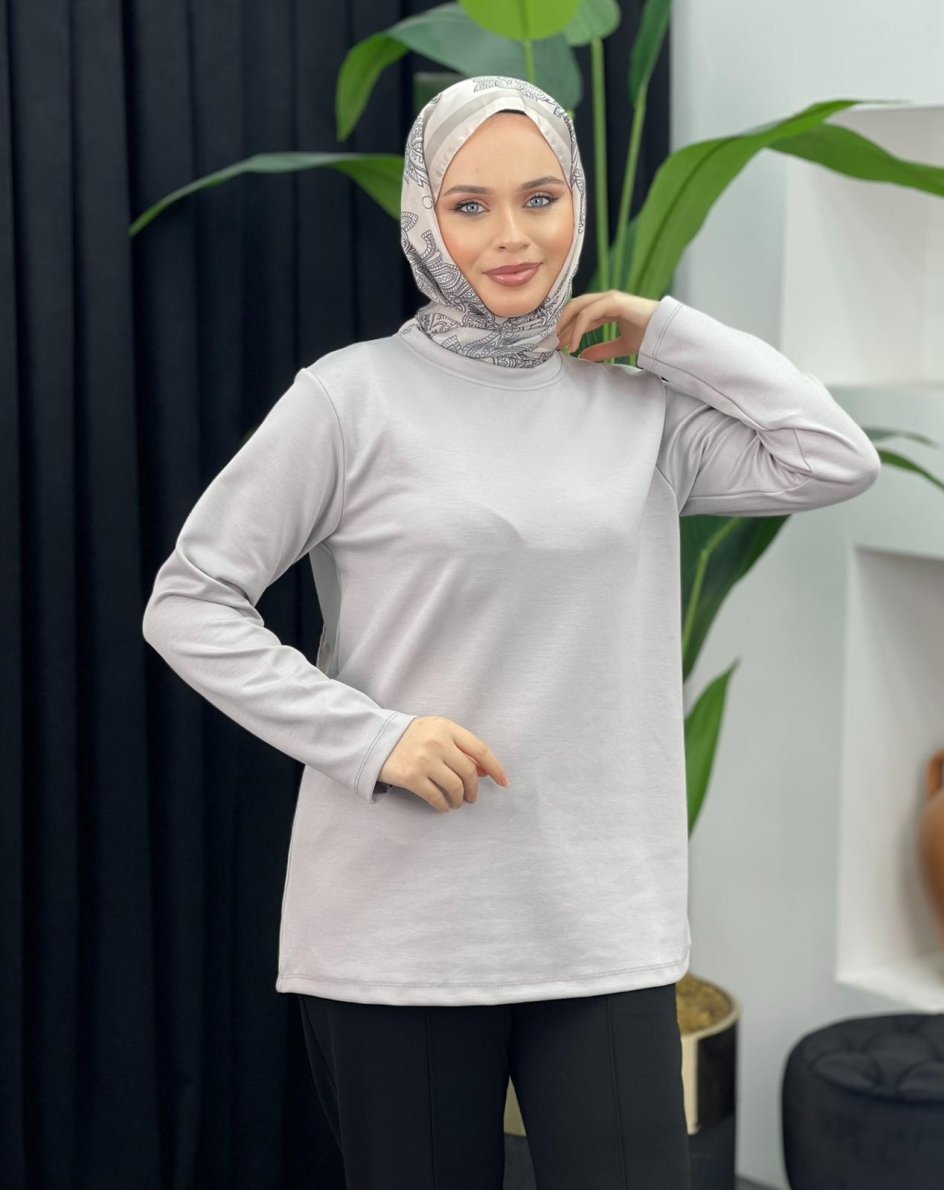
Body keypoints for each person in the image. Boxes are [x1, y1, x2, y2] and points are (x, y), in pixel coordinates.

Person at [142, 74, 881, 1190]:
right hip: (401, 927)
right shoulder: (349, 399)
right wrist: (372, 738)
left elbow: (832, 458)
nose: (512, 237)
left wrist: (666, 330)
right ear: (424, 216)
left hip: (601, 922)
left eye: (540, 197)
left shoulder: (638, 406)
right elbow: (189, 597)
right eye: (470, 205)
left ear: (576, 199)